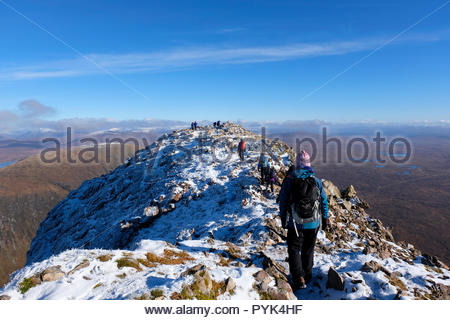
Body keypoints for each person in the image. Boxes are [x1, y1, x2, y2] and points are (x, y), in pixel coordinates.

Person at [278, 150, 329, 291]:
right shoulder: (316, 181)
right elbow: (324, 201)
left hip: (295, 223)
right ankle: (307, 275)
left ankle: (298, 278)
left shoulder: (289, 181)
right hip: (313, 223)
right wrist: (325, 218)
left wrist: (283, 219)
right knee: (308, 249)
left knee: (294, 249)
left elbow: (282, 201)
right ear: (308, 163)